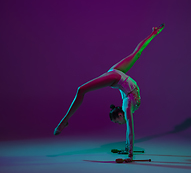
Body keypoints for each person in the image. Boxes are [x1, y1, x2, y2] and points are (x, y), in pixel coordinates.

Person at [54, 24, 165, 162]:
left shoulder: (128, 104)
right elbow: (130, 130)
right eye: (118, 122)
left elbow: (128, 130)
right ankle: (64, 121)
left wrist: (127, 149)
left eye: (117, 123)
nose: (119, 124)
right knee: (81, 90)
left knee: (136, 54)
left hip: (117, 74)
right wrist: (130, 155)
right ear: (119, 114)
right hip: (117, 76)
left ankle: (154, 33)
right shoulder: (127, 107)